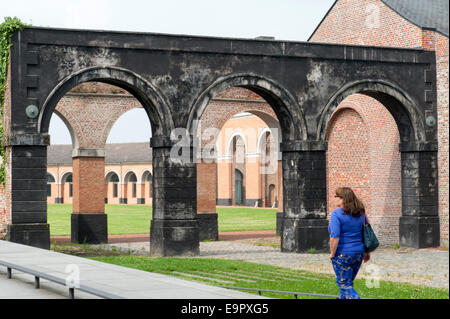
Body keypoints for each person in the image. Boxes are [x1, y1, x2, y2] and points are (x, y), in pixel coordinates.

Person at [328, 187, 370, 299]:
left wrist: (332, 253)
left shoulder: (336, 214)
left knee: (345, 285)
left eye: (336, 196)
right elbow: (366, 233)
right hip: (358, 254)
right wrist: (366, 252)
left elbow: (334, 237)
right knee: (347, 285)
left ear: (343, 199)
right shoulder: (361, 213)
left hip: (343, 254)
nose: (334, 198)